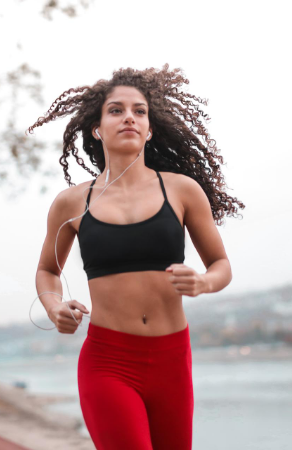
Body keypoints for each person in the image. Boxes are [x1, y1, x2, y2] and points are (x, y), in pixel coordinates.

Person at [29, 65, 244, 450]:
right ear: (96, 128)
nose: (129, 116)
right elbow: (48, 270)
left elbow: (221, 265)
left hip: (171, 360)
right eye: (115, 110)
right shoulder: (71, 203)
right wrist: (53, 305)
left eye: (139, 111)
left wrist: (203, 281)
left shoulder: (182, 191)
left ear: (149, 128)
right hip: (108, 362)